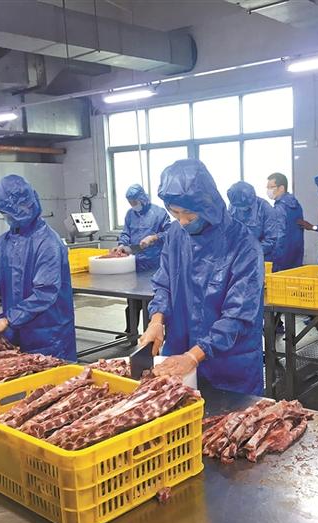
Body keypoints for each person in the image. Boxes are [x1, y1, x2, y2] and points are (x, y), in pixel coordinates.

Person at [139, 159, 264, 395]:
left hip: (229, 366)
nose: (182, 221)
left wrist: (194, 356)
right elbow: (164, 284)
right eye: (175, 212)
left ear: (208, 206)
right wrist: (156, 321)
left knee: (231, 417)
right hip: (178, 355)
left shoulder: (243, 245)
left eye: (189, 214)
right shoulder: (176, 234)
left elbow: (237, 315)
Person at [0, 174, 76, 361]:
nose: (5, 216)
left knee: (51, 377)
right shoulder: (4, 242)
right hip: (16, 332)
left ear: (24, 208)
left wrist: (7, 320)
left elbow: (45, 293)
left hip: (49, 334)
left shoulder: (48, 243)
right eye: (2, 212)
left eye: (7, 212)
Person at [115, 184, 171, 334]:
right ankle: (130, 332)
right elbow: (126, 233)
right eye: (130, 203)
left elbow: (170, 233)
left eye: (135, 202)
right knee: (132, 301)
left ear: (143, 199)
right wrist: (122, 245)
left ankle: (150, 334)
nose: (133, 205)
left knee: (150, 302)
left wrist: (154, 238)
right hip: (135, 265)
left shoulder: (159, 213)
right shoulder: (130, 214)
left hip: (154, 265)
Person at [227, 181, 282, 263]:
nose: (241, 209)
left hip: (262, 257)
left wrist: (251, 253)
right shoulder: (233, 206)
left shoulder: (265, 209)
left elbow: (271, 240)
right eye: (237, 206)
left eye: (243, 205)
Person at [267, 172, 304, 272]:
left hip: (282, 256)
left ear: (281, 188)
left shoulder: (280, 208)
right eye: (267, 187)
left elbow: (279, 234)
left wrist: (275, 257)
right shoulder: (296, 204)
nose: (268, 190)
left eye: (271, 187)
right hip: (296, 253)